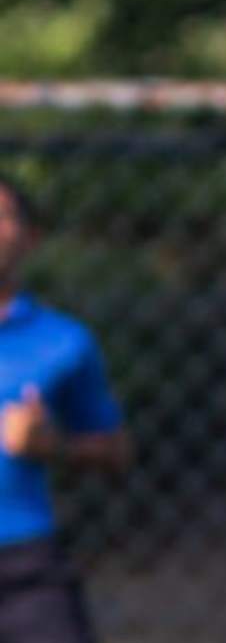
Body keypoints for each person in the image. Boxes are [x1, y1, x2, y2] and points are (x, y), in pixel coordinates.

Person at [0, 174, 131, 643]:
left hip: (27, 565)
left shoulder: (64, 341)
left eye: (3, 216)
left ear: (30, 237)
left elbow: (114, 451)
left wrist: (49, 445)